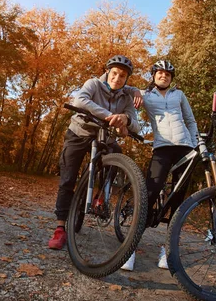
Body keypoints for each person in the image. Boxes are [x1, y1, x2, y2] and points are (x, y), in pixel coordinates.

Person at [48, 55, 142, 250]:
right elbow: (80, 100)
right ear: (108, 72)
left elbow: (137, 125)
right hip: (79, 132)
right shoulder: (93, 83)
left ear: (126, 79)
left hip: (104, 138)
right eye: (114, 73)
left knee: (117, 151)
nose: (117, 78)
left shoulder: (126, 98)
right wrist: (110, 117)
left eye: (122, 75)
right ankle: (60, 228)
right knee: (68, 179)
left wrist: (125, 119)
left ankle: (100, 194)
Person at [121, 60, 198, 271]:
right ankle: (130, 249)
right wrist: (136, 89)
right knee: (149, 193)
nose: (164, 76)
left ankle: (168, 249)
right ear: (154, 76)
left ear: (172, 78)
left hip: (185, 148)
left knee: (178, 199)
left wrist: (195, 145)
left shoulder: (179, 95)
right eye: (160, 73)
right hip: (162, 148)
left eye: (168, 74)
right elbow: (123, 89)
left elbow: (190, 121)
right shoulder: (146, 96)